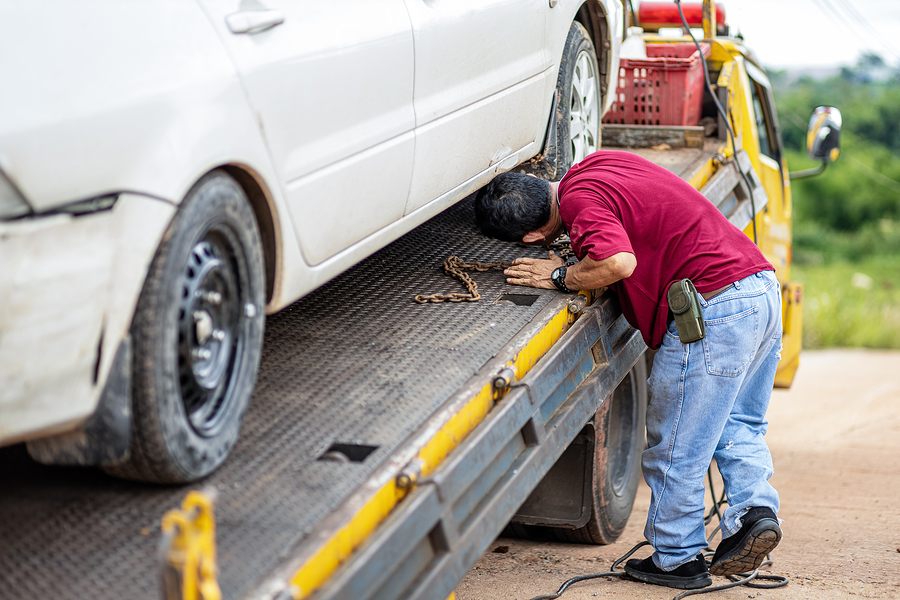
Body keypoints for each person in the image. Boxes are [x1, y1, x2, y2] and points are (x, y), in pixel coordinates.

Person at [473, 150, 783, 590]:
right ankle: (755, 512)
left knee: (676, 444)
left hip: (715, 311)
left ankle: (678, 559)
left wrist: (561, 275)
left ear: (528, 238)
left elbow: (619, 262)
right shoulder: (596, 164)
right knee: (740, 423)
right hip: (760, 289)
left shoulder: (580, 204)